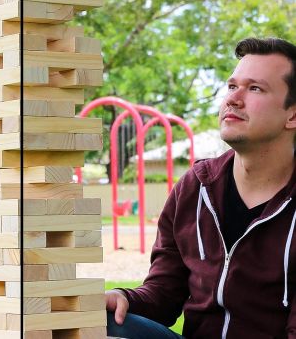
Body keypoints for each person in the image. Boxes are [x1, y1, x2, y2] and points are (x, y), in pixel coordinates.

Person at [106, 37, 296, 339]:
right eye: (233, 86)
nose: (233, 99)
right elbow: (165, 294)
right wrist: (125, 298)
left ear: (293, 114)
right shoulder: (197, 187)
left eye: (255, 88)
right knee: (104, 321)